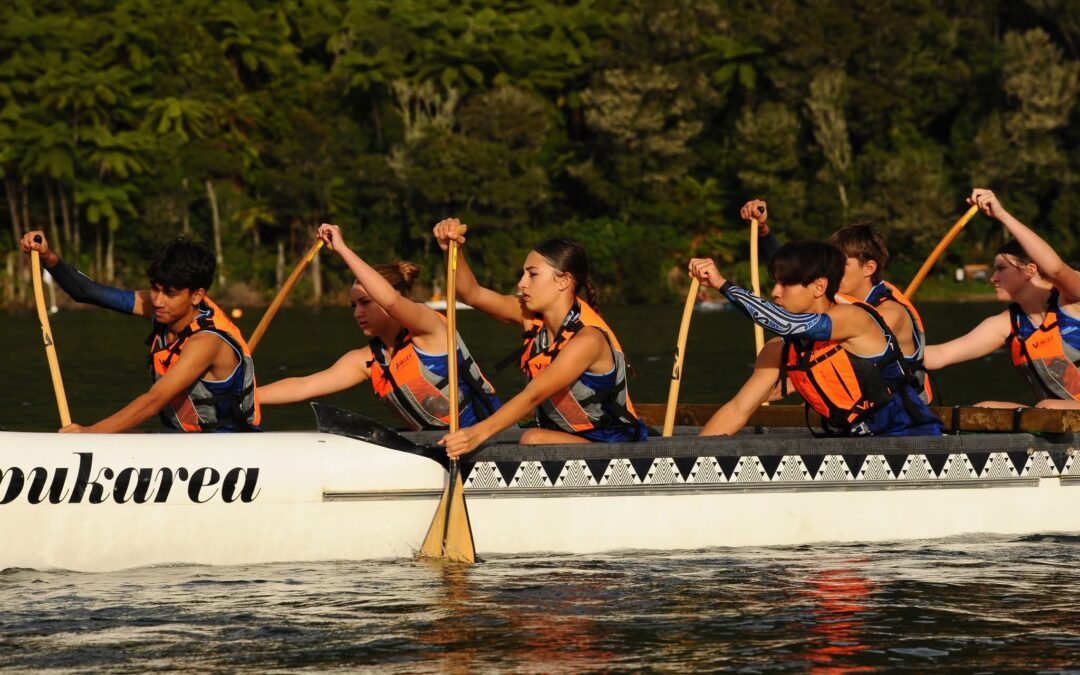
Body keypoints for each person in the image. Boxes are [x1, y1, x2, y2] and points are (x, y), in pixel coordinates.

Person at [432, 218, 649, 459]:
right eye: (523, 274)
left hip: (615, 444)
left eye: (532, 274)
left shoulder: (589, 339)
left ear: (563, 281)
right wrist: (453, 250)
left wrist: (476, 434)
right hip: (565, 437)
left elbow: (533, 395)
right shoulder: (531, 318)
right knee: (531, 436)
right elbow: (471, 294)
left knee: (532, 438)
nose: (521, 283)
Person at [257, 224, 502, 429]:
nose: (357, 313)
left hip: (491, 442)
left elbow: (391, 301)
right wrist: (249, 396)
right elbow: (304, 386)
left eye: (365, 302)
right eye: (353, 305)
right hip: (439, 449)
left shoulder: (429, 328)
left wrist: (342, 249)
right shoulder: (369, 361)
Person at [689, 240, 942, 437]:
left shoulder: (852, 318)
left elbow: (786, 323)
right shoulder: (777, 349)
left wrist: (722, 285)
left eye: (786, 284)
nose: (775, 292)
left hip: (913, 441)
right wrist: (693, 456)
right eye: (775, 282)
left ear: (819, 287)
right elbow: (737, 409)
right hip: (853, 447)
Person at [19, 231, 259, 433]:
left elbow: (155, 400)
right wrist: (48, 258)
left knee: (107, 434)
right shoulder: (166, 308)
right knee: (116, 436)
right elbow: (88, 292)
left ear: (197, 295)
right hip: (184, 441)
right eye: (155, 288)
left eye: (170, 293)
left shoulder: (206, 341)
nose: (158, 301)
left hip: (227, 446)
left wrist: (91, 433)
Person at [743, 198, 932, 402]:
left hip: (907, 413)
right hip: (860, 410)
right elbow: (794, 272)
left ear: (869, 268)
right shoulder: (840, 300)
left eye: (841, 263)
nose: (831, 269)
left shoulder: (890, 312)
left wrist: (793, 382)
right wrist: (763, 231)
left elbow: (841, 353)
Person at [923, 189, 1080, 409]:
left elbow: (1055, 269)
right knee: (984, 408)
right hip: (1059, 418)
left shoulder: (1071, 298)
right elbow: (940, 355)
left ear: (1030, 270)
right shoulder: (1008, 324)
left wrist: (1002, 215)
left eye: (1001, 269)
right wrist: (881, 354)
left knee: (1047, 407)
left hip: (1054, 412)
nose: (993, 278)